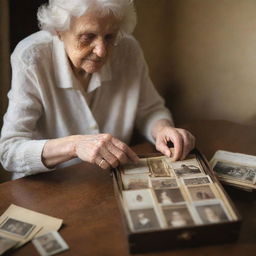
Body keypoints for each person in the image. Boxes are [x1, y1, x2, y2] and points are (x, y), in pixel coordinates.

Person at [0, 0, 195, 179]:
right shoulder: (32, 56)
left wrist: (163, 129)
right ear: (59, 31)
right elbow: (9, 151)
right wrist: (75, 146)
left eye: (109, 36)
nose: (101, 51)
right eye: (88, 37)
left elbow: (150, 110)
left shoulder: (128, 49)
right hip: (47, 186)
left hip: (108, 181)